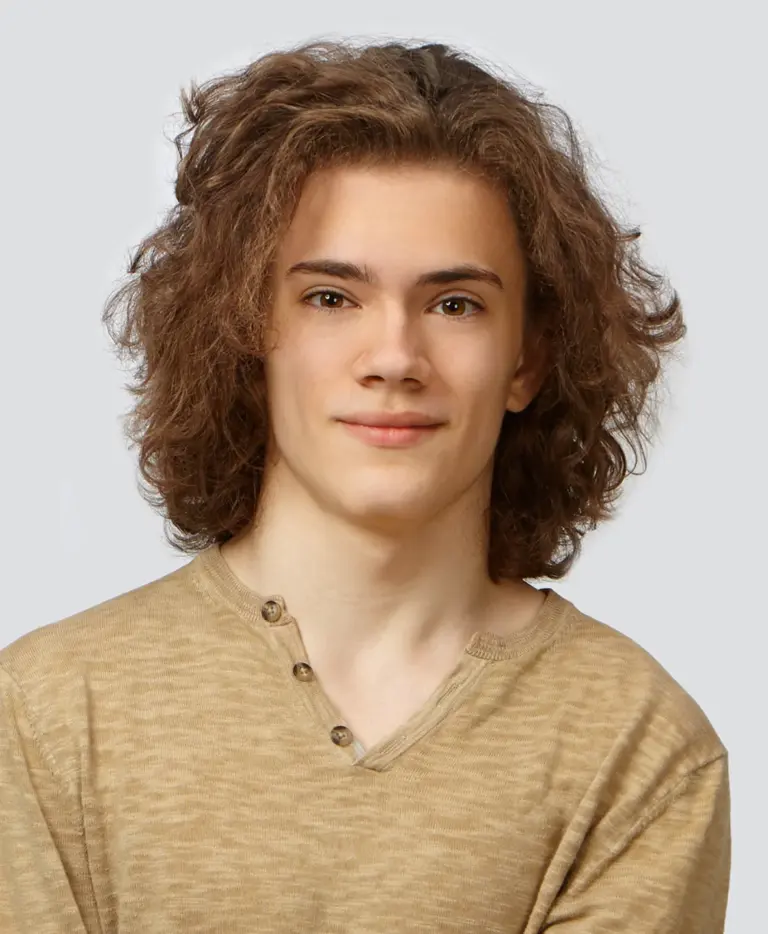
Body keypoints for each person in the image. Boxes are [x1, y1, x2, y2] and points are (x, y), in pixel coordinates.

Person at [0, 38, 730, 934]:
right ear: (245, 330)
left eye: (455, 304)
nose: (393, 357)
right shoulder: (45, 714)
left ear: (527, 359)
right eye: (331, 298)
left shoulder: (638, 749)